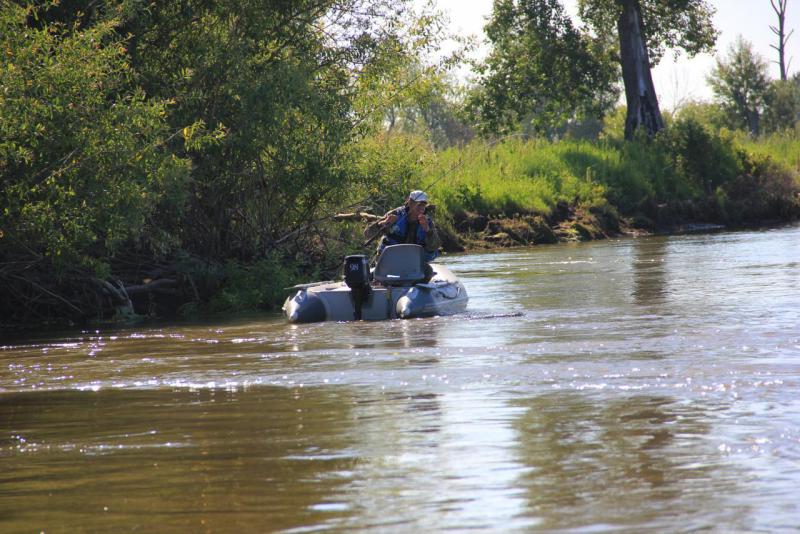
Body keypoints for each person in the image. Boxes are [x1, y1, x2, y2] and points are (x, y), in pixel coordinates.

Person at [374, 190, 440, 262]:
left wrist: (428, 230)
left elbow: (435, 246)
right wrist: (383, 223)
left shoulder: (428, 222)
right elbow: (368, 233)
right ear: (410, 203)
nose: (421, 209)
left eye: (423, 206)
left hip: (416, 263)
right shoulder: (395, 214)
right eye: (419, 205)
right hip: (390, 261)